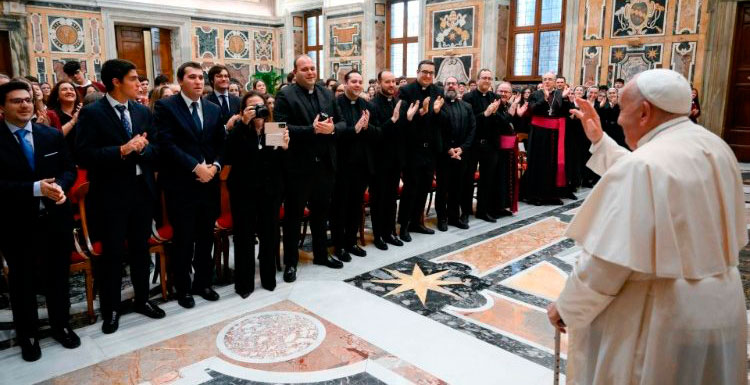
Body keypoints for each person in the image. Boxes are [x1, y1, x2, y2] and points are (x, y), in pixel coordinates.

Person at [547, 68, 748, 385]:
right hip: (721, 308)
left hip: (662, 317)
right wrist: (600, 140)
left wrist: (567, 306)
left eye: (623, 110)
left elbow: (605, 267)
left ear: (644, 111)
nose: (620, 118)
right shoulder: (715, 146)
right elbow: (652, 177)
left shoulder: (647, 164)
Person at [75, 59, 165, 334]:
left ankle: (142, 299)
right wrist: (122, 150)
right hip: (110, 195)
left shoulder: (140, 111)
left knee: (140, 250)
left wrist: (143, 150)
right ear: (116, 81)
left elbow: (157, 148)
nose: (139, 83)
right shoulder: (92, 113)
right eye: (133, 78)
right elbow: (84, 155)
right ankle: (111, 309)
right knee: (112, 254)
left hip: (141, 190)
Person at [0, 80, 79, 361]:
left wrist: (60, 186)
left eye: (27, 100)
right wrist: (35, 189)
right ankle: (28, 335)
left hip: (54, 218)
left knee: (58, 277)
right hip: (16, 223)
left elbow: (69, 169)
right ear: (2, 107)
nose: (24, 105)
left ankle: (61, 325)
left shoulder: (50, 135)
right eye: (16, 101)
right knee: (22, 282)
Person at [154, 61, 225, 309]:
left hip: (208, 184)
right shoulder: (166, 107)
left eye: (200, 77)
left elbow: (220, 144)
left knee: (205, 237)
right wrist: (196, 167)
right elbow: (167, 143)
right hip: (182, 183)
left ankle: (203, 283)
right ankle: (183, 288)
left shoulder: (213, 109)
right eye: (192, 77)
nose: (198, 82)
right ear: (181, 81)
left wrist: (215, 166)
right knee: (183, 239)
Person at [274, 55, 347, 282]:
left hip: (325, 164)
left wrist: (332, 129)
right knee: (293, 217)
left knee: (321, 213)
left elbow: (343, 122)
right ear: (295, 73)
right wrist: (312, 130)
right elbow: (276, 130)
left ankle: (321, 254)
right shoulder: (285, 94)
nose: (310, 72)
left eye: (313, 68)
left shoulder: (327, 93)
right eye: (304, 69)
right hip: (298, 166)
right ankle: (291, 263)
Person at [226, 91, 289, 297]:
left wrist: (284, 148)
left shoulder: (273, 128)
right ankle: (244, 283)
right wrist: (244, 124)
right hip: (243, 192)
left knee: (270, 235)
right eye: (251, 106)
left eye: (259, 105)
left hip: (269, 191)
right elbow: (230, 154)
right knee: (244, 237)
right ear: (243, 110)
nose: (256, 110)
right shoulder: (239, 129)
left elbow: (278, 163)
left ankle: (269, 278)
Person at [331, 70, 379, 262]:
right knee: (340, 208)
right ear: (346, 83)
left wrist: (366, 128)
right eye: (354, 81)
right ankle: (339, 245)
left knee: (355, 207)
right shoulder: (335, 104)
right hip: (342, 165)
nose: (358, 85)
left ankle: (351, 242)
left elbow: (376, 133)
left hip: (361, 165)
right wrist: (355, 129)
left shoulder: (365, 105)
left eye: (360, 81)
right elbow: (334, 135)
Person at [396, 60, 444, 241]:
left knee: (424, 188)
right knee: (411, 189)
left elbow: (442, 122)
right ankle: (404, 226)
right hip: (412, 149)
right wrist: (420, 113)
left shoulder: (438, 92)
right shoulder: (407, 91)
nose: (428, 76)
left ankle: (417, 222)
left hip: (430, 150)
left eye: (431, 73)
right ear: (417, 72)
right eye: (424, 72)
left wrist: (436, 112)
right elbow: (402, 121)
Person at [463, 70, 508, 223]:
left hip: (491, 145)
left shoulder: (494, 98)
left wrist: (496, 114)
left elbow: (502, 121)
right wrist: (486, 114)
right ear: (478, 80)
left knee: (487, 179)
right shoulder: (468, 97)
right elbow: (469, 122)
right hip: (474, 145)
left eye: (489, 78)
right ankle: (466, 210)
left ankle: (483, 210)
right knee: (468, 179)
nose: (487, 81)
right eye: (484, 78)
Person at [521, 71, 571, 205]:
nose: (547, 81)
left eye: (550, 79)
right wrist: (544, 98)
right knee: (538, 163)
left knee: (552, 164)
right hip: (538, 134)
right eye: (545, 79)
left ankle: (551, 196)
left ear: (555, 82)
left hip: (553, 135)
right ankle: (535, 196)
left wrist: (566, 99)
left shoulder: (560, 94)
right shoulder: (535, 94)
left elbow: (563, 113)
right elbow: (532, 110)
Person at [434, 76, 474, 231]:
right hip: (444, 155)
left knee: (458, 187)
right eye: (448, 83)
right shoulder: (439, 106)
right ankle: (442, 218)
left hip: (461, 154)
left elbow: (472, 130)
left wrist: (462, 148)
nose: (451, 86)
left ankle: (454, 217)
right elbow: (436, 130)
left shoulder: (466, 106)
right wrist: (448, 148)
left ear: (458, 86)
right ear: (444, 86)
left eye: (453, 83)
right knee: (442, 188)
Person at [370, 70, 404, 250]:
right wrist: (392, 120)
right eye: (387, 82)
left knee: (392, 199)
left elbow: (402, 132)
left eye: (394, 82)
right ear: (379, 83)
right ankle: (379, 236)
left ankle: (390, 232)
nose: (392, 85)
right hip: (379, 160)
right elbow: (375, 134)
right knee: (378, 200)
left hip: (395, 159)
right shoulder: (372, 105)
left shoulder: (399, 102)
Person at [46, 81, 82, 157]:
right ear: (57, 96)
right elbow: (53, 139)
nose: (69, 91)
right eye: (64, 89)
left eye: (72, 89)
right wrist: (73, 121)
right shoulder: (50, 114)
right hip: (63, 160)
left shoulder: (83, 111)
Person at [206, 65, 242, 130]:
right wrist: (226, 127)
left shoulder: (238, 100)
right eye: (219, 76)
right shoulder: (206, 102)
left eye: (226, 76)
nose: (224, 79)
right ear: (212, 80)